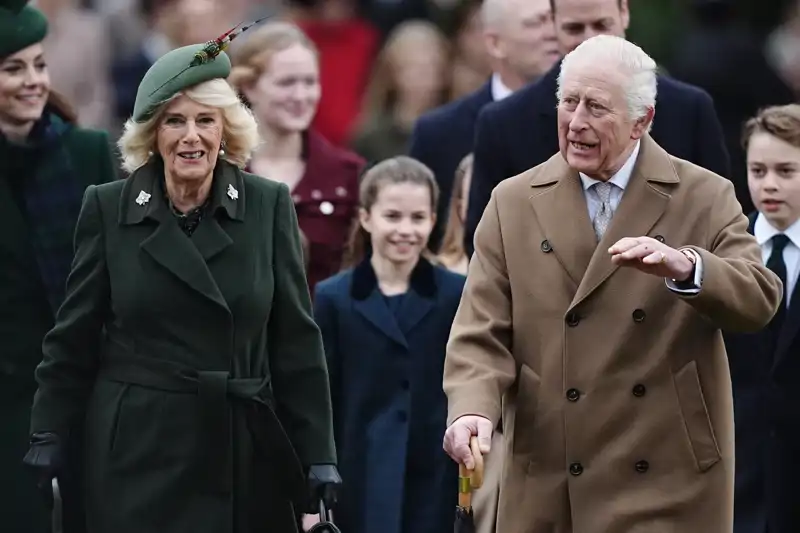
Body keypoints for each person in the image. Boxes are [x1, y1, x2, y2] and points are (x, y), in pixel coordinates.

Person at [442, 35, 782, 533]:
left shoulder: (704, 195)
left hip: (667, 474)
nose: (576, 122)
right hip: (550, 470)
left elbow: (759, 297)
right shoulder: (511, 202)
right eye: (568, 102)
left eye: (596, 108)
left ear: (642, 122)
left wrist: (689, 267)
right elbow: (480, 330)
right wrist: (470, 408)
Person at [22, 31, 341, 533]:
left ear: (226, 130)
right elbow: (73, 336)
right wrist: (48, 431)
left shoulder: (266, 205)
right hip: (137, 451)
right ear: (152, 135)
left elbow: (297, 343)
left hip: (241, 450)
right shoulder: (108, 208)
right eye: (174, 121)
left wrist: (319, 454)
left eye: (204, 120)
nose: (190, 136)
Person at [464, 0, 730, 256]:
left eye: (602, 25)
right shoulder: (503, 122)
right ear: (552, 24)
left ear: (624, 11)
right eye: (574, 28)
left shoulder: (688, 109)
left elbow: (720, 231)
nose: (590, 39)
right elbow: (485, 249)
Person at [0, 3, 115, 532]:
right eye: (13, 68)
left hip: (89, 390)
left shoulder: (88, 153)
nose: (32, 82)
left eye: (39, 65)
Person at [314, 156, 466, 533]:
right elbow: (324, 392)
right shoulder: (334, 297)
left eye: (418, 218)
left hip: (433, 473)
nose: (405, 230)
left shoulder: (455, 294)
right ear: (366, 218)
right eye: (392, 216)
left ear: (433, 220)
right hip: (360, 472)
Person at [409, 0, 558, 251]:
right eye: (535, 23)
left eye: (554, 20)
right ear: (495, 43)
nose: (552, 33)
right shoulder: (438, 133)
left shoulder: (579, 120)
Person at [229, 21, 364, 295]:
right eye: (287, 82)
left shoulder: (350, 175)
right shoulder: (215, 172)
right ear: (250, 87)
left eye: (310, 82)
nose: (301, 96)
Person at [725, 104, 800, 533]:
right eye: (758, 170)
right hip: (738, 473)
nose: (769, 184)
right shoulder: (725, 252)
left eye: (786, 171)